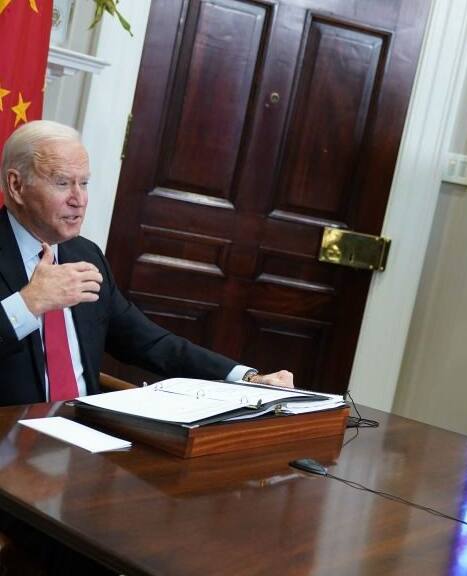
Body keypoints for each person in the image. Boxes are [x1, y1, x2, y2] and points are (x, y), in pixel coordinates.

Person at [0, 120, 293, 406]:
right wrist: (27, 304)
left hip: (80, 436)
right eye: (62, 183)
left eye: (84, 183)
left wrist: (248, 378)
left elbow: (150, 343)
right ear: (16, 185)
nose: (79, 199)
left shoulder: (85, 255)